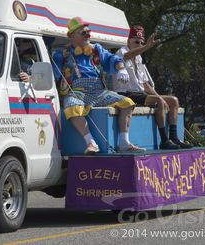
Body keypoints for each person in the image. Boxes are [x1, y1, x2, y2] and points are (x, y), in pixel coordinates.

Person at [52, 17, 145, 155]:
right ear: (71, 36)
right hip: (77, 91)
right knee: (71, 107)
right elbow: (51, 73)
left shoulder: (96, 49)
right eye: (83, 33)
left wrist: (121, 68)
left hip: (99, 91)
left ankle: (124, 142)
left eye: (88, 32)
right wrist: (31, 76)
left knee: (128, 103)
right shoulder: (61, 55)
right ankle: (91, 142)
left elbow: (112, 58)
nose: (88, 35)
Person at [113, 25, 192, 150]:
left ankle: (174, 137)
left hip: (139, 94)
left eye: (141, 42)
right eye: (136, 42)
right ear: (128, 41)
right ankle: (164, 140)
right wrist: (146, 47)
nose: (139, 44)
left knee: (173, 100)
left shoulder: (138, 58)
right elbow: (127, 56)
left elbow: (145, 84)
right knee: (159, 101)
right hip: (125, 93)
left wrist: (159, 96)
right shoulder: (121, 52)